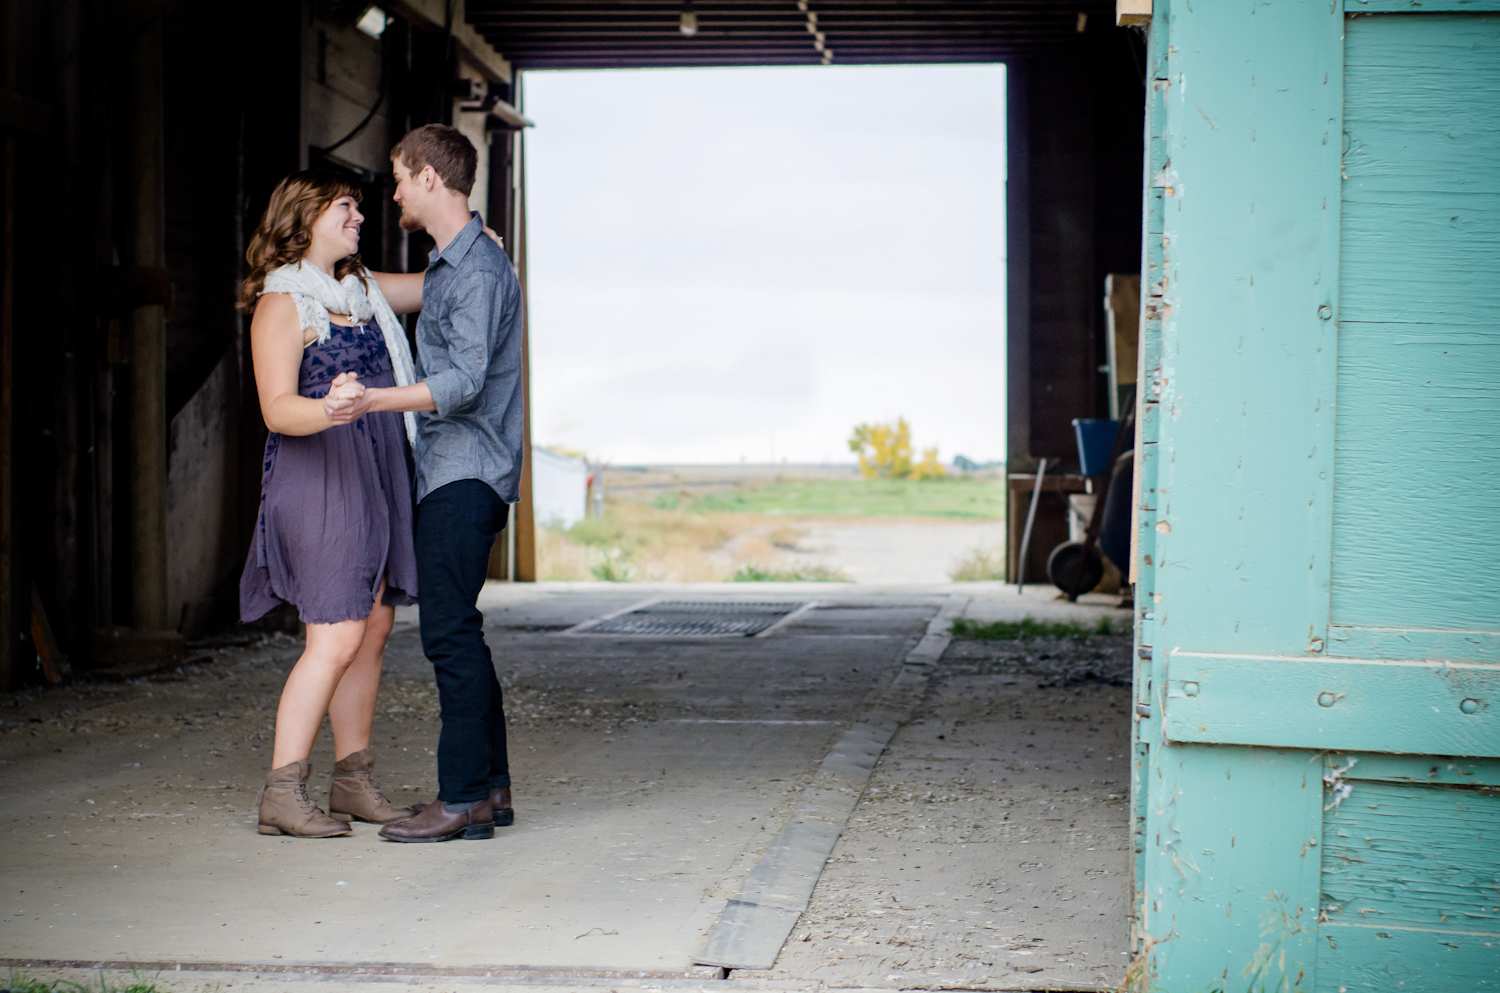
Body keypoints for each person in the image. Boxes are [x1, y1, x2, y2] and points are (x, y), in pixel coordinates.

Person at [326, 124, 524, 844]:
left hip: (464, 469)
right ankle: (490, 789)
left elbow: (466, 382)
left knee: (446, 631)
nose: (397, 191)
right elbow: (375, 294)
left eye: (402, 177)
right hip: (455, 468)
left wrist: (373, 399)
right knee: (460, 629)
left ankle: (463, 795)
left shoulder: (474, 272)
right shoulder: (454, 264)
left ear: (431, 179)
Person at [238, 170, 425, 838]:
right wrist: (331, 406)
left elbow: (443, 284)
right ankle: (282, 791)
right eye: (346, 206)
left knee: (373, 626)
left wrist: (467, 227)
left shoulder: (362, 291)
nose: (359, 217)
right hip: (318, 477)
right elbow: (277, 409)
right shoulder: (281, 304)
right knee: (337, 633)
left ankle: (352, 780)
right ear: (307, 215)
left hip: (374, 472)